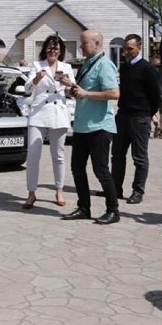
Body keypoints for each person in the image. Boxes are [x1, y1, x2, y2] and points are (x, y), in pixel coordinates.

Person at [58, 29, 121, 224]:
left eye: (84, 43)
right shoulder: (87, 63)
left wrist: (85, 94)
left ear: (97, 44)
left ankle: (113, 211)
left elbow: (114, 93)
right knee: (77, 168)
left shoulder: (104, 65)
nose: (80, 47)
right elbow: (84, 91)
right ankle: (84, 207)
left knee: (100, 169)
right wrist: (72, 89)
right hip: (82, 126)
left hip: (99, 127)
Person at [21, 34, 75, 209]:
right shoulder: (37, 65)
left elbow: (73, 91)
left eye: (56, 49)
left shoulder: (66, 67)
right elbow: (27, 89)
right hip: (39, 114)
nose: (53, 51)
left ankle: (59, 190)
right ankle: (31, 193)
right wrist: (36, 78)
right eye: (50, 48)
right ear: (45, 49)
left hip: (58, 113)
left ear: (61, 51)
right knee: (33, 155)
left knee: (58, 155)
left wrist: (68, 84)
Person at [110, 34, 161, 205]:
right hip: (122, 116)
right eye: (125, 48)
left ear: (139, 48)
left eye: (130, 49)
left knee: (139, 157)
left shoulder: (147, 68)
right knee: (117, 155)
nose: (126, 51)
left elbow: (155, 96)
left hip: (140, 118)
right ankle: (115, 188)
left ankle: (138, 191)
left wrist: (147, 114)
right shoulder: (124, 67)